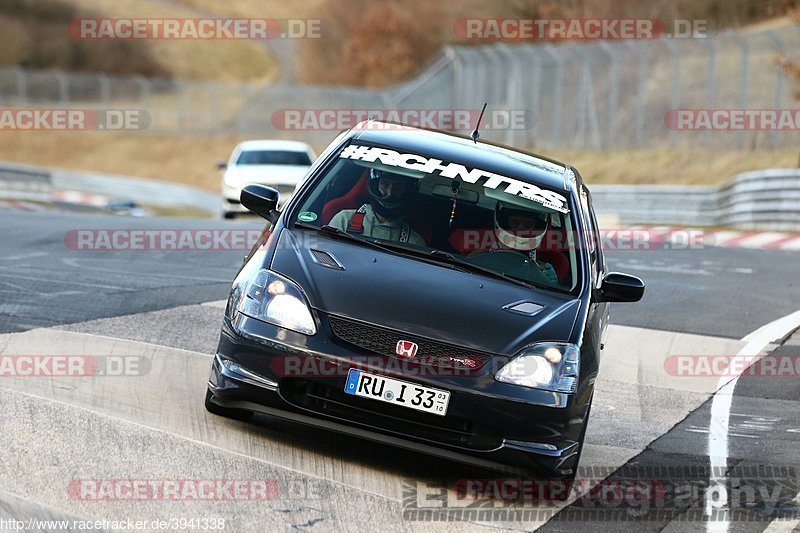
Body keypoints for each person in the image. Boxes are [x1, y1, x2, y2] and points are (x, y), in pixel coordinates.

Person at [329, 168, 425, 246]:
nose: (390, 193)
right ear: (375, 186)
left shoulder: (414, 242)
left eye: (398, 186)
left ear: (406, 190)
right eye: (385, 184)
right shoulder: (344, 220)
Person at [481, 201, 558, 284]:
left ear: (535, 228)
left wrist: (550, 284)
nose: (520, 228)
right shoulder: (480, 247)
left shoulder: (549, 262)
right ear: (505, 222)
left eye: (528, 224)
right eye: (515, 222)